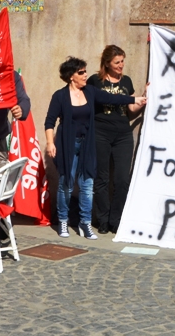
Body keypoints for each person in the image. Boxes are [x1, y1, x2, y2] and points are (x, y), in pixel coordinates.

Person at [45, 57, 146, 240]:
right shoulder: (60, 96)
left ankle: (85, 223)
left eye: (85, 71)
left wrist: (136, 99)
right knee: (66, 184)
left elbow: (113, 98)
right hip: (67, 145)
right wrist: (50, 143)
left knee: (87, 185)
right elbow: (49, 121)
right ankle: (63, 220)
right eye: (81, 72)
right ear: (71, 77)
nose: (85, 75)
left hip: (86, 145)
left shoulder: (90, 92)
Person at [87, 45, 146, 234]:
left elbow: (130, 110)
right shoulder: (95, 81)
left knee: (122, 180)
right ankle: (102, 220)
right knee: (102, 178)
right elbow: (98, 101)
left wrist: (143, 99)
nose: (121, 65)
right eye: (117, 62)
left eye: (123, 61)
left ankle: (116, 220)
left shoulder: (126, 81)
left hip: (122, 135)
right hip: (100, 133)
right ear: (107, 63)